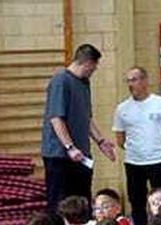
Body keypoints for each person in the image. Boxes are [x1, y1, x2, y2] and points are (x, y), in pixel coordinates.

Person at [42, 43, 114, 215]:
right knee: (60, 204)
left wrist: (100, 141)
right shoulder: (61, 81)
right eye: (94, 67)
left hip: (81, 156)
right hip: (60, 156)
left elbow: (86, 118)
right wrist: (69, 147)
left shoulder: (84, 84)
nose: (94, 70)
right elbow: (56, 118)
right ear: (87, 63)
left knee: (82, 203)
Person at [112, 66, 161, 225]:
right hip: (134, 162)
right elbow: (120, 138)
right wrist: (135, 150)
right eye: (128, 80)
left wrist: (160, 147)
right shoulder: (122, 109)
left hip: (158, 160)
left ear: (144, 80)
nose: (131, 84)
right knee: (137, 201)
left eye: (134, 80)